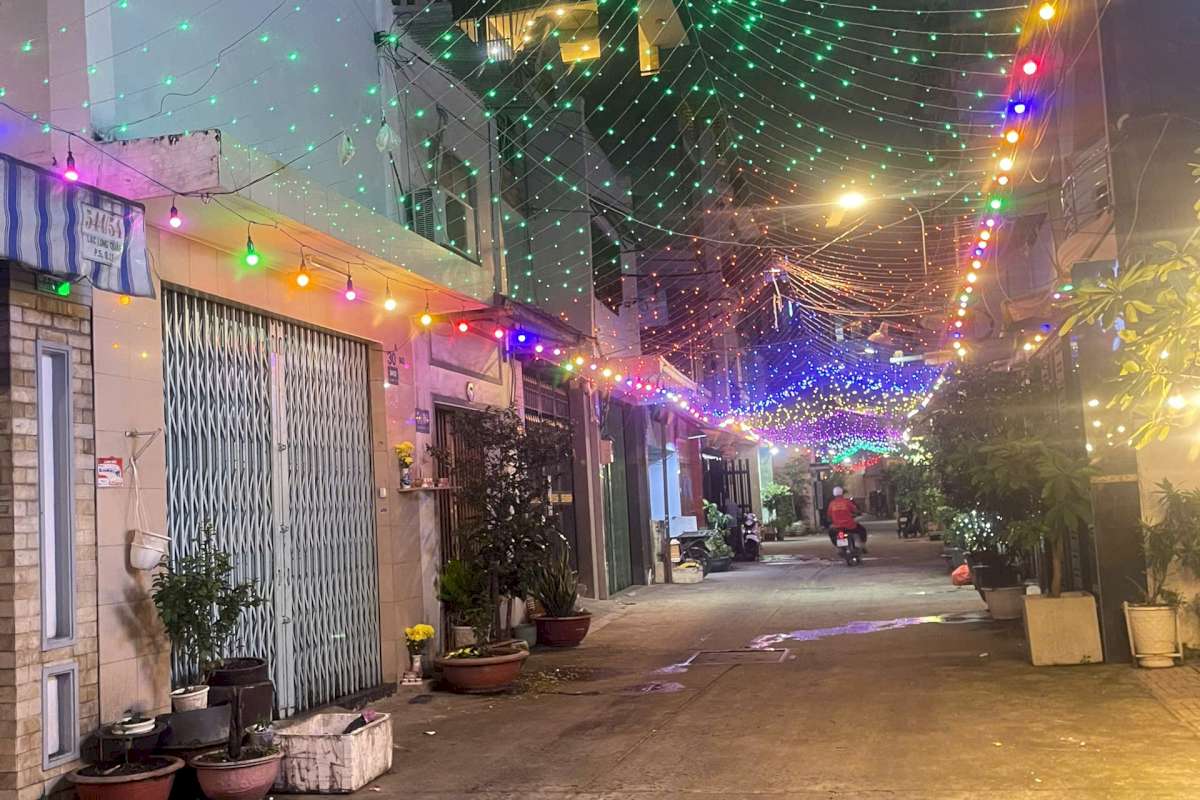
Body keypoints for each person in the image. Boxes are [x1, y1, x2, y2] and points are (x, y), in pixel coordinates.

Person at [825, 487, 868, 552]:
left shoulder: (832, 504)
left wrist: (831, 521)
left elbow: (829, 515)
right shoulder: (847, 502)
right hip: (850, 526)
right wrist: (859, 513)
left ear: (834, 494)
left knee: (831, 533)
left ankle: (838, 547)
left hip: (838, 527)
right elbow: (855, 510)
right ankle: (862, 545)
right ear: (842, 494)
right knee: (862, 530)